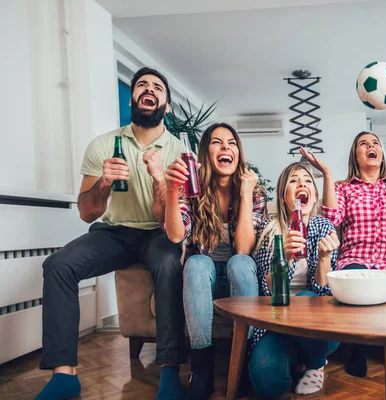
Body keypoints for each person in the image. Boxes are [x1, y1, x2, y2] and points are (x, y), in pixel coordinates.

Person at [35, 67, 186, 400]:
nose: (149, 89)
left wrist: (160, 178)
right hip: (113, 232)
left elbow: (170, 219)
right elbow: (87, 212)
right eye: (142, 85)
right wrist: (104, 182)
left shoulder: (177, 152)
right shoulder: (104, 145)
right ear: (132, 97)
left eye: (157, 87)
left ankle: (170, 371)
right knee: (58, 265)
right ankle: (64, 375)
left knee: (170, 265)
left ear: (167, 105)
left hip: (157, 233)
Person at [303, 133, 386, 378]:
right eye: (364, 144)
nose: (371, 146)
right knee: (352, 283)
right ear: (356, 156)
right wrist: (327, 175)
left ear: (381, 154)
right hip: (355, 260)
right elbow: (331, 219)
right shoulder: (343, 188)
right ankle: (357, 348)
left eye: (375, 143)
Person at [164, 122, 266, 400]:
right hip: (203, 280)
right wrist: (172, 190)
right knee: (196, 262)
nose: (225, 147)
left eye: (231, 142)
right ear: (205, 152)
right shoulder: (193, 188)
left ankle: (245, 363)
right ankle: (202, 371)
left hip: (237, 277)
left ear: (238, 152)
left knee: (242, 263)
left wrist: (245, 194)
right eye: (217, 142)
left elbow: (244, 249)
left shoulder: (253, 193)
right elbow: (175, 235)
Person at [248, 162, 340, 398]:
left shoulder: (324, 228)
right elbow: (267, 290)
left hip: (318, 326)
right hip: (277, 321)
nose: (302, 184)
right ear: (284, 196)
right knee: (267, 381)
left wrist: (323, 258)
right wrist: (285, 257)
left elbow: (325, 296)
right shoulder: (270, 230)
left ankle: (315, 363)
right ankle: (299, 357)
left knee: (308, 299)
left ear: (315, 194)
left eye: (308, 180)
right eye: (294, 180)